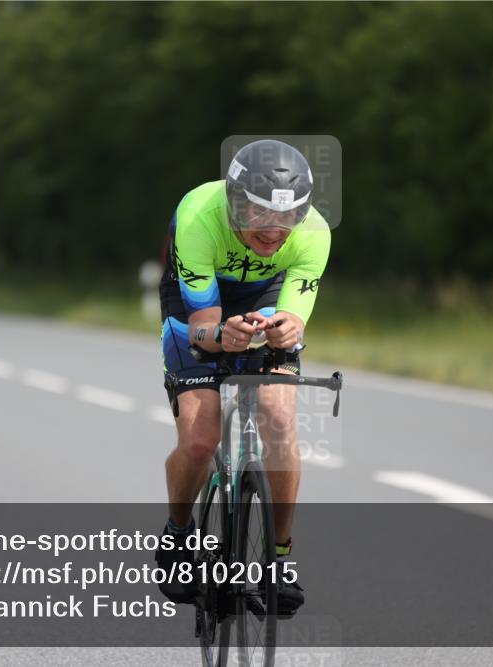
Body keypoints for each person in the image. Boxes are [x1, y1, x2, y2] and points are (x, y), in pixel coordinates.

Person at [155, 139, 331, 616]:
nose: (274, 231)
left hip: (265, 295)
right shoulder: (198, 215)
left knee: (278, 416)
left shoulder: (313, 232)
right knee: (200, 438)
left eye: (288, 217)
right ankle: (178, 532)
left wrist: (290, 327)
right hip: (199, 304)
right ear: (234, 203)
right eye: (258, 216)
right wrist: (221, 336)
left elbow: (294, 317)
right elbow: (202, 327)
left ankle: (278, 559)